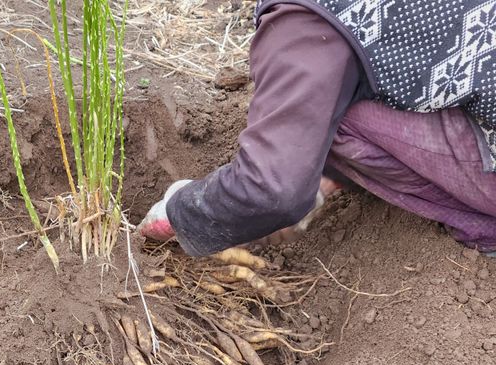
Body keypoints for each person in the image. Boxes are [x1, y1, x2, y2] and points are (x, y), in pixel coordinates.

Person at [138, 1, 496, 255]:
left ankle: (482, 225)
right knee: (336, 90)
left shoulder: (306, 19)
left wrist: (178, 213)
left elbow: (269, 190)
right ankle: (332, 177)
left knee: (325, 112)